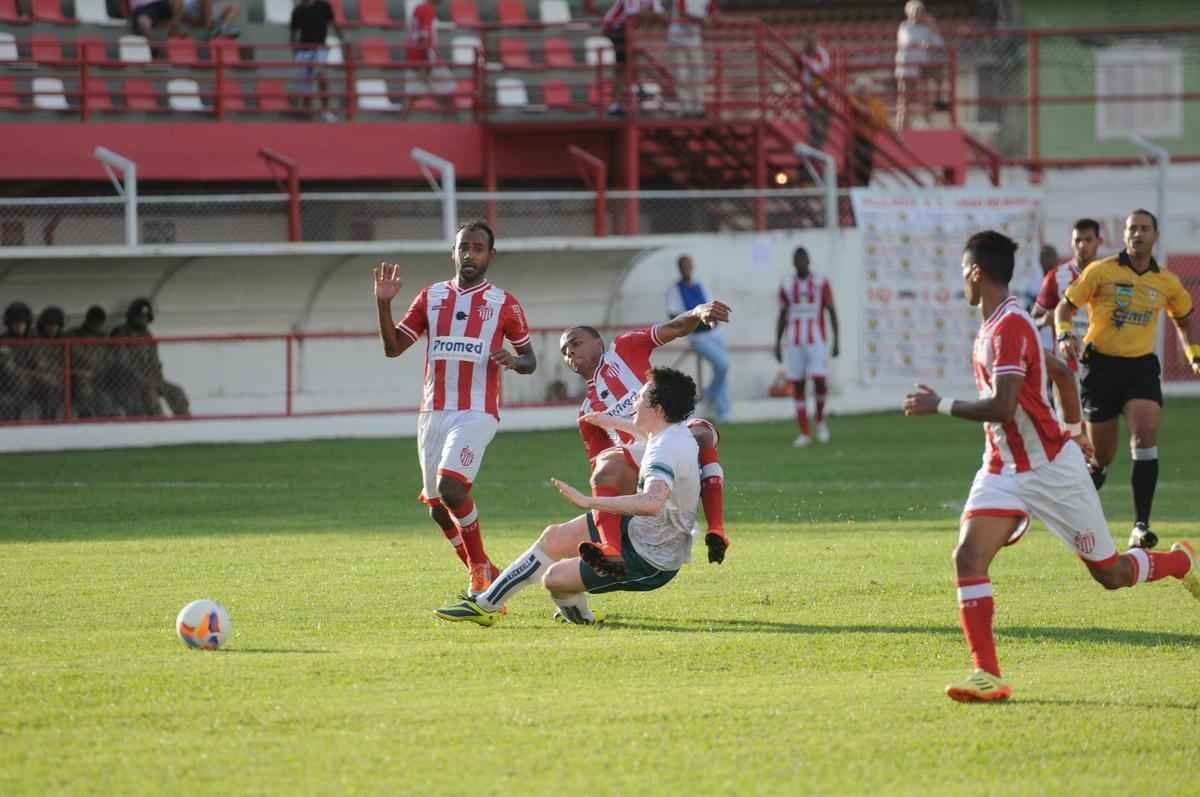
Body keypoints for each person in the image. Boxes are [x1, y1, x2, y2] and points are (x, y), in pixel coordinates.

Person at [903, 229, 1199, 703]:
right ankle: (988, 675)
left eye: (964, 273)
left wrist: (939, 405)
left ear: (976, 273)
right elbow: (1060, 373)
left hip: (1050, 470)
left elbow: (1002, 407)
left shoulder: (1010, 326)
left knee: (1112, 574)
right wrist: (1077, 426)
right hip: (1001, 469)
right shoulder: (996, 324)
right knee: (967, 557)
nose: (963, 281)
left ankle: (1183, 561)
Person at [434, 367, 713, 626]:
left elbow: (651, 502)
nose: (633, 403)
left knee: (554, 579)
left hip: (652, 558)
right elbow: (649, 436)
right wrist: (611, 422)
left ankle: (581, 617)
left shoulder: (664, 449)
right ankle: (484, 605)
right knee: (553, 537)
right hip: (641, 529)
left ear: (658, 408)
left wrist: (589, 502)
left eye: (639, 397)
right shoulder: (673, 432)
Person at [374, 220, 537, 599]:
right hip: (433, 412)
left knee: (452, 488)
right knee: (436, 507)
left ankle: (478, 570)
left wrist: (513, 361)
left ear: (490, 256)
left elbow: (530, 359)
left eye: (478, 248)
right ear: (453, 252)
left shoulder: (504, 304)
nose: (469, 254)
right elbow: (393, 347)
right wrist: (383, 304)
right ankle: (489, 575)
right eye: (463, 247)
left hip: (476, 412)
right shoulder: (430, 297)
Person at [1054, 209, 1200, 550]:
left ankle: (1140, 526)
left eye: (1144, 228)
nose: (1137, 234)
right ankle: (1075, 513)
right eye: (1132, 228)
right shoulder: (1100, 271)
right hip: (1100, 368)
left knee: (1145, 437)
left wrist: (1194, 354)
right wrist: (1063, 336)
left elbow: (1184, 319)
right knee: (1102, 456)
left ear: (1155, 236)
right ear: (1123, 235)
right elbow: (1065, 308)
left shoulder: (1166, 281)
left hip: (1140, 369)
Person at [556, 297, 730, 578]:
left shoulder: (624, 349)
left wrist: (697, 313)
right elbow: (600, 470)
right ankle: (610, 550)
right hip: (644, 462)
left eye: (575, 343)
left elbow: (673, 327)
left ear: (598, 343)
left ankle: (717, 530)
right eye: (564, 351)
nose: (570, 353)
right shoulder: (586, 414)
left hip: (675, 436)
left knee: (701, 432)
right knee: (605, 469)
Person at [775, 246, 839, 446]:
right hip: (794, 341)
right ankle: (804, 432)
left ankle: (820, 421)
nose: (801, 263)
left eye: (803, 260)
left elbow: (831, 310)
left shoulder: (821, 282)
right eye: (797, 260)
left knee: (820, 381)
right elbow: (783, 315)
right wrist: (777, 343)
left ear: (809, 261)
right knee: (798, 384)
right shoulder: (786, 284)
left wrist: (837, 340)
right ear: (794, 262)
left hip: (817, 340)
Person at [666, 254, 730, 421]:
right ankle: (709, 394)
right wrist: (697, 320)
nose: (687, 269)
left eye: (689, 266)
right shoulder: (675, 289)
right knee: (723, 365)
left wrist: (714, 318)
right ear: (679, 269)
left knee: (721, 369)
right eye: (684, 266)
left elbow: (711, 307)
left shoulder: (700, 286)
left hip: (713, 332)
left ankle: (723, 412)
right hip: (697, 336)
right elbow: (674, 314)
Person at [109, 298, 191, 418]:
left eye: (146, 317)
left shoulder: (147, 335)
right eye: (140, 317)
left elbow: (155, 360)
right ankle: (159, 425)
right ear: (132, 316)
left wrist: (157, 376)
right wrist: (144, 378)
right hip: (129, 380)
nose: (144, 320)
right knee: (150, 393)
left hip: (151, 378)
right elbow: (122, 362)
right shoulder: (120, 333)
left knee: (176, 391)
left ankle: (185, 424)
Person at [1032, 218, 1102, 355]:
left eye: (1088, 240)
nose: (1082, 245)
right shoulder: (1056, 277)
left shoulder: (1109, 275)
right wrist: (1044, 320)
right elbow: (1033, 320)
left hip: (1102, 360)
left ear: (1099, 242)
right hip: (1067, 362)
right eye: (1077, 240)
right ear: (1071, 242)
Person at [601, 0, 663, 116]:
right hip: (615, 29)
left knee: (631, 62)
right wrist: (652, 17)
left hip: (629, 29)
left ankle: (636, 90)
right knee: (623, 67)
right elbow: (633, 13)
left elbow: (659, 15)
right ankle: (617, 103)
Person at [290, 0, 346, 122]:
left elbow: (333, 23)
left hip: (320, 48)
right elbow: (293, 32)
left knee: (321, 77)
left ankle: (325, 110)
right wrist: (294, 51)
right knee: (305, 81)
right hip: (303, 50)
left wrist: (342, 39)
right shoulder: (297, 10)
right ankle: (307, 111)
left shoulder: (324, 6)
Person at [894, 0, 945, 129]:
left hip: (922, 68)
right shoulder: (904, 26)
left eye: (921, 11)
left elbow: (939, 44)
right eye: (915, 10)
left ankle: (927, 125)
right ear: (908, 12)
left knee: (925, 97)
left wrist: (934, 27)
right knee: (905, 100)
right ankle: (902, 128)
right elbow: (907, 41)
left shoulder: (926, 28)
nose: (918, 13)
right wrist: (923, 44)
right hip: (907, 70)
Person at [67, 305, 119, 419]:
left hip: (101, 374)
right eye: (93, 320)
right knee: (85, 391)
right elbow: (76, 356)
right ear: (88, 319)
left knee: (107, 394)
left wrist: (102, 370)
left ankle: (107, 420)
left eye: (99, 321)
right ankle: (85, 417)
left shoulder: (104, 337)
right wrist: (86, 370)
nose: (96, 323)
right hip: (80, 374)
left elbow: (110, 358)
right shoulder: (74, 334)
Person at [667, 0, 713, 117]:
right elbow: (682, 13)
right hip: (677, 38)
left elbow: (713, 12)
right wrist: (702, 20)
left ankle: (698, 107)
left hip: (694, 38)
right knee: (681, 75)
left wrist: (712, 19)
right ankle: (685, 107)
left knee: (699, 74)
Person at [845, 76, 889, 187]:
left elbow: (881, 123)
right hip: (856, 140)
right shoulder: (853, 101)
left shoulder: (876, 105)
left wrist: (867, 113)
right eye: (860, 89)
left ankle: (863, 189)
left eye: (864, 88)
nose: (862, 91)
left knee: (866, 168)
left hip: (868, 141)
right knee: (855, 168)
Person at [0, 301, 36, 421]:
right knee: (19, 385)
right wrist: (39, 375)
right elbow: (9, 369)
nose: (20, 326)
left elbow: (40, 362)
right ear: (9, 324)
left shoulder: (32, 340)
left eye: (22, 323)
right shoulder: (3, 342)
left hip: (31, 381)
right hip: (5, 384)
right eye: (16, 323)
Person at [29, 306, 66, 420]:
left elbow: (71, 363)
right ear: (43, 326)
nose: (52, 328)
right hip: (38, 379)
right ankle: (47, 417)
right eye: (49, 325)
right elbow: (36, 364)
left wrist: (59, 374)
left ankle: (53, 416)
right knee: (49, 387)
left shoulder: (64, 341)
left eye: (55, 325)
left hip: (62, 378)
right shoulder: (35, 341)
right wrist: (45, 375)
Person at [796, 34, 831, 149]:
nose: (810, 44)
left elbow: (822, 71)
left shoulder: (822, 54)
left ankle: (818, 150)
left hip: (822, 95)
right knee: (815, 127)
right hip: (810, 96)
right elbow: (799, 64)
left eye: (812, 42)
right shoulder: (802, 55)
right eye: (807, 42)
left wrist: (810, 63)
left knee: (822, 126)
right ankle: (815, 151)